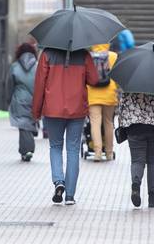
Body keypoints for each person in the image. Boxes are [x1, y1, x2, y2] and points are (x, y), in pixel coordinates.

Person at [32, 48, 98, 205]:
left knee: (55, 146)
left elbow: (40, 83)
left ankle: (58, 181)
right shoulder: (83, 54)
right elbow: (94, 80)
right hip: (77, 108)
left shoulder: (47, 53)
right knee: (73, 149)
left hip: (52, 109)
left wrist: (36, 111)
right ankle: (69, 195)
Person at [119, 92, 154, 208]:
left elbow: (122, 105)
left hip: (134, 127)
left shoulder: (131, 81)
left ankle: (136, 186)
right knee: (153, 161)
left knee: (137, 161)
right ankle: (152, 198)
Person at [87, 44, 119, 162]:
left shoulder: (88, 56)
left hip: (93, 94)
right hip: (109, 94)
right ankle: (109, 153)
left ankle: (98, 153)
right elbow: (117, 76)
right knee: (109, 123)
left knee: (95, 123)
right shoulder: (113, 56)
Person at [8, 43, 38, 161]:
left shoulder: (14, 66)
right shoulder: (38, 66)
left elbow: (9, 84)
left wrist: (8, 99)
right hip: (35, 99)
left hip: (19, 100)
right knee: (28, 124)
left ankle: (27, 150)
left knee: (23, 125)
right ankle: (25, 150)